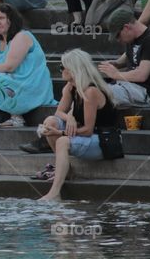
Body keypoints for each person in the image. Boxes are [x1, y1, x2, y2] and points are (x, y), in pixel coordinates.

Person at [38, 49, 118, 202]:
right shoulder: (71, 86)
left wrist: (60, 133)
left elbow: (87, 131)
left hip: (105, 141)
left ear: (74, 70)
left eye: (63, 67)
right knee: (50, 121)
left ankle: (55, 192)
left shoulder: (90, 92)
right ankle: (66, 171)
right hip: (90, 136)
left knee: (61, 140)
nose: (60, 70)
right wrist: (69, 117)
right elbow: (59, 111)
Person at [100, 8, 150, 107]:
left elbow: (142, 75)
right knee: (83, 88)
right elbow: (128, 57)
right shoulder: (132, 38)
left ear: (126, 27)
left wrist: (116, 74)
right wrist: (116, 63)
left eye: (118, 35)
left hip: (143, 92)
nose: (118, 40)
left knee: (95, 92)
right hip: (126, 87)